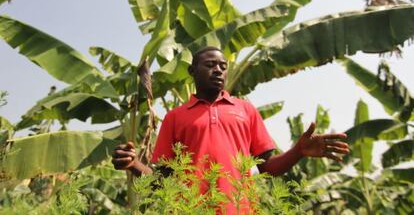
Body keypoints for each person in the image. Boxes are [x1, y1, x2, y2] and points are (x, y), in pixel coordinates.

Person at [112, 46, 350, 213]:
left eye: (223, 66)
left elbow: (268, 167)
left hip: (241, 209)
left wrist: (298, 150)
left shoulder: (245, 110)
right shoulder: (175, 118)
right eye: (210, 65)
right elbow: (163, 182)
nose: (218, 70)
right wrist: (133, 165)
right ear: (192, 72)